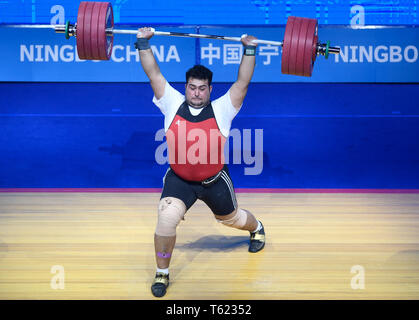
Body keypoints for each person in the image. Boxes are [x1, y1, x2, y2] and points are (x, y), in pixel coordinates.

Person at [135, 27, 266, 298]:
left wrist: (249, 49)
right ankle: (162, 273)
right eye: (192, 87)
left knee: (233, 220)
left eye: (202, 88)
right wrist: (142, 43)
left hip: (214, 180)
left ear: (210, 89)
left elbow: (242, 83)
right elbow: (153, 73)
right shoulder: (171, 102)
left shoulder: (222, 109)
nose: (196, 93)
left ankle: (257, 228)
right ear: (186, 87)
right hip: (179, 180)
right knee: (166, 218)